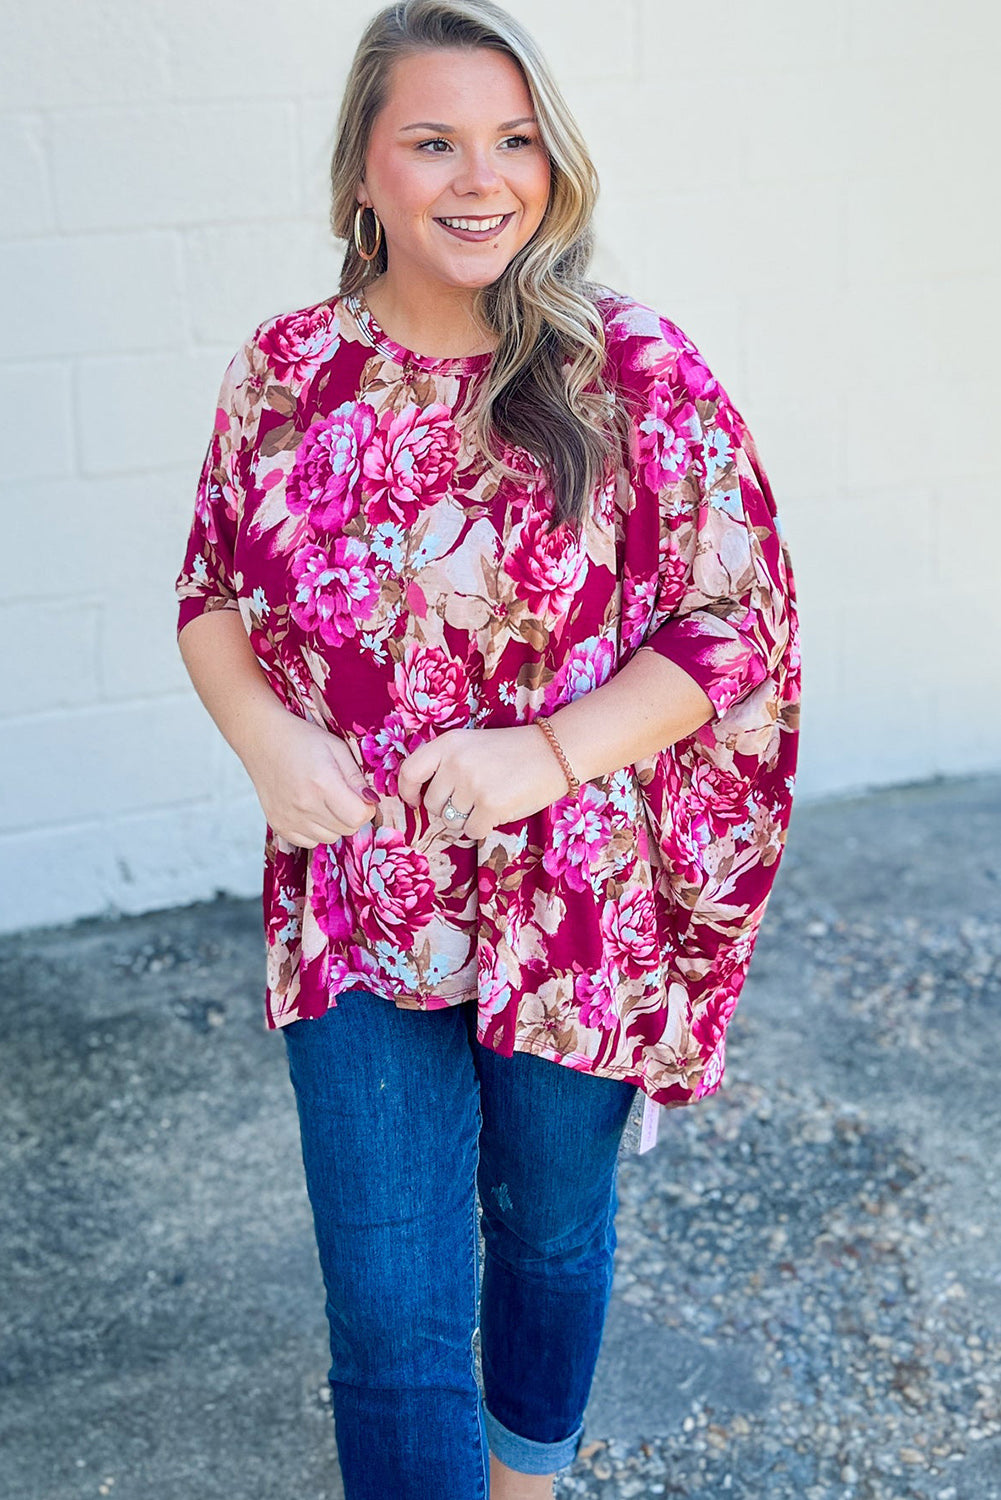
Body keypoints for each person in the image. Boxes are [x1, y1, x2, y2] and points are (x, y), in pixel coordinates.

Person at [174, 1, 801, 1495]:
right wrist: (264, 740)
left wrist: (545, 756)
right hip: (356, 897)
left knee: (547, 1230)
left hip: (574, 902)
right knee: (388, 1308)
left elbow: (736, 619)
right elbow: (206, 589)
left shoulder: (627, 366)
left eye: (515, 139)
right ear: (363, 177)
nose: (482, 176)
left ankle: (529, 1479)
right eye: (434, 139)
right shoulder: (286, 370)